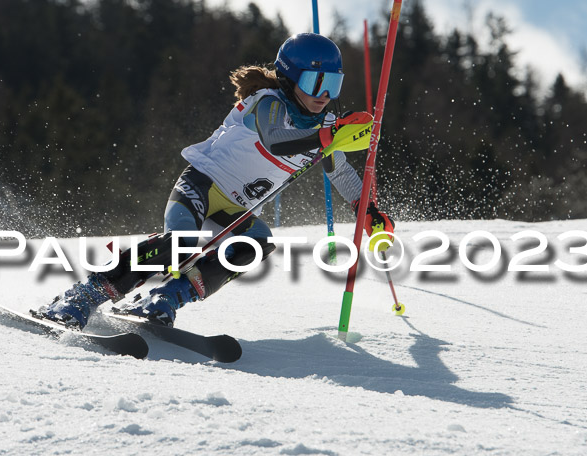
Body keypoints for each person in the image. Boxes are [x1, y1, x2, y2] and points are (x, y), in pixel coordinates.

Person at [36, 33, 394, 329]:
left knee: (257, 243)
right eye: (316, 82)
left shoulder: (323, 126)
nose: (325, 94)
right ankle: (82, 296)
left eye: (333, 83)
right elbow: (275, 140)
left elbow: (341, 172)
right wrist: (330, 135)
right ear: (289, 77)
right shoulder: (267, 103)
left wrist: (369, 212)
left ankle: (165, 298)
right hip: (201, 187)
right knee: (181, 244)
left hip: (235, 210)